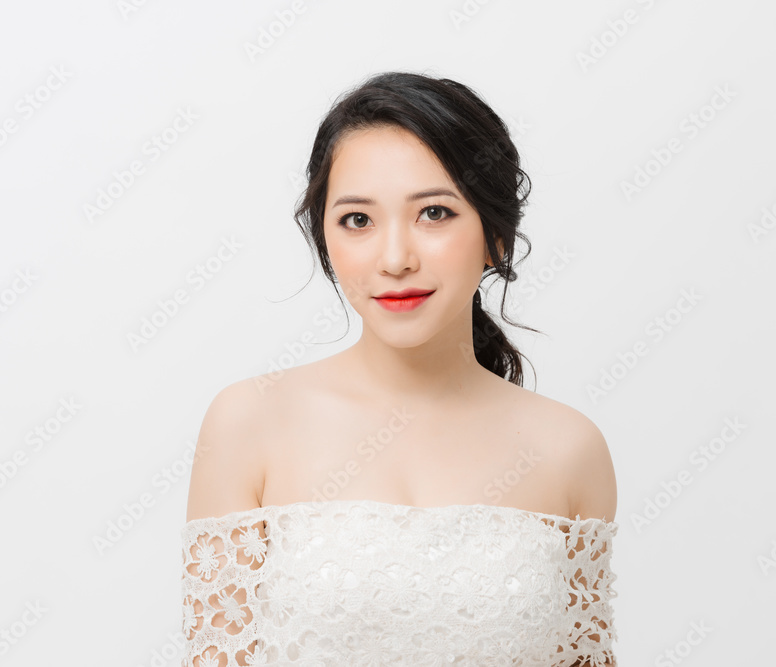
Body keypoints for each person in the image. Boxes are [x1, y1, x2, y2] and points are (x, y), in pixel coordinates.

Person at [180, 70, 619, 666]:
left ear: (496, 236)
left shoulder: (569, 448)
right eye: (357, 220)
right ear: (326, 239)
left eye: (434, 213)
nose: (394, 259)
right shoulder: (249, 422)